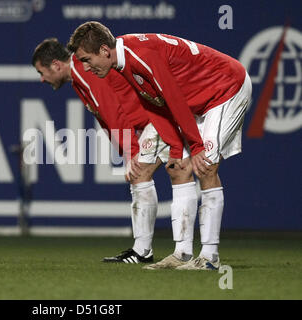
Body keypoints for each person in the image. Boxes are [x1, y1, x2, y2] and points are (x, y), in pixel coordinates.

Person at [68, 21, 252, 270]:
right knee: (177, 168)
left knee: (206, 166)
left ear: (104, 50)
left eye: (87, 59)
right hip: (199, 100)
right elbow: (154, 104)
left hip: (226, 87)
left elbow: (172, 97)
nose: (86, 67)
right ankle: (182, 253)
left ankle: (209, 257)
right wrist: (177, 149)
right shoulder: (123, 59)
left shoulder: (140, 55)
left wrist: (196, 147)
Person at [32, 38, 198, 265]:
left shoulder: (83, 70)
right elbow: (107, 119)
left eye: (42, 72)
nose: (42, 79)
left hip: (158, 117)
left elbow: (112, 112)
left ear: (56, 65)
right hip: (157, 116)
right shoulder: (79, 77)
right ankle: (181, 251)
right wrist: (127, 150)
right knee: (179, 171)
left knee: (141, 174)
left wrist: (131, 152)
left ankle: (144, 251)